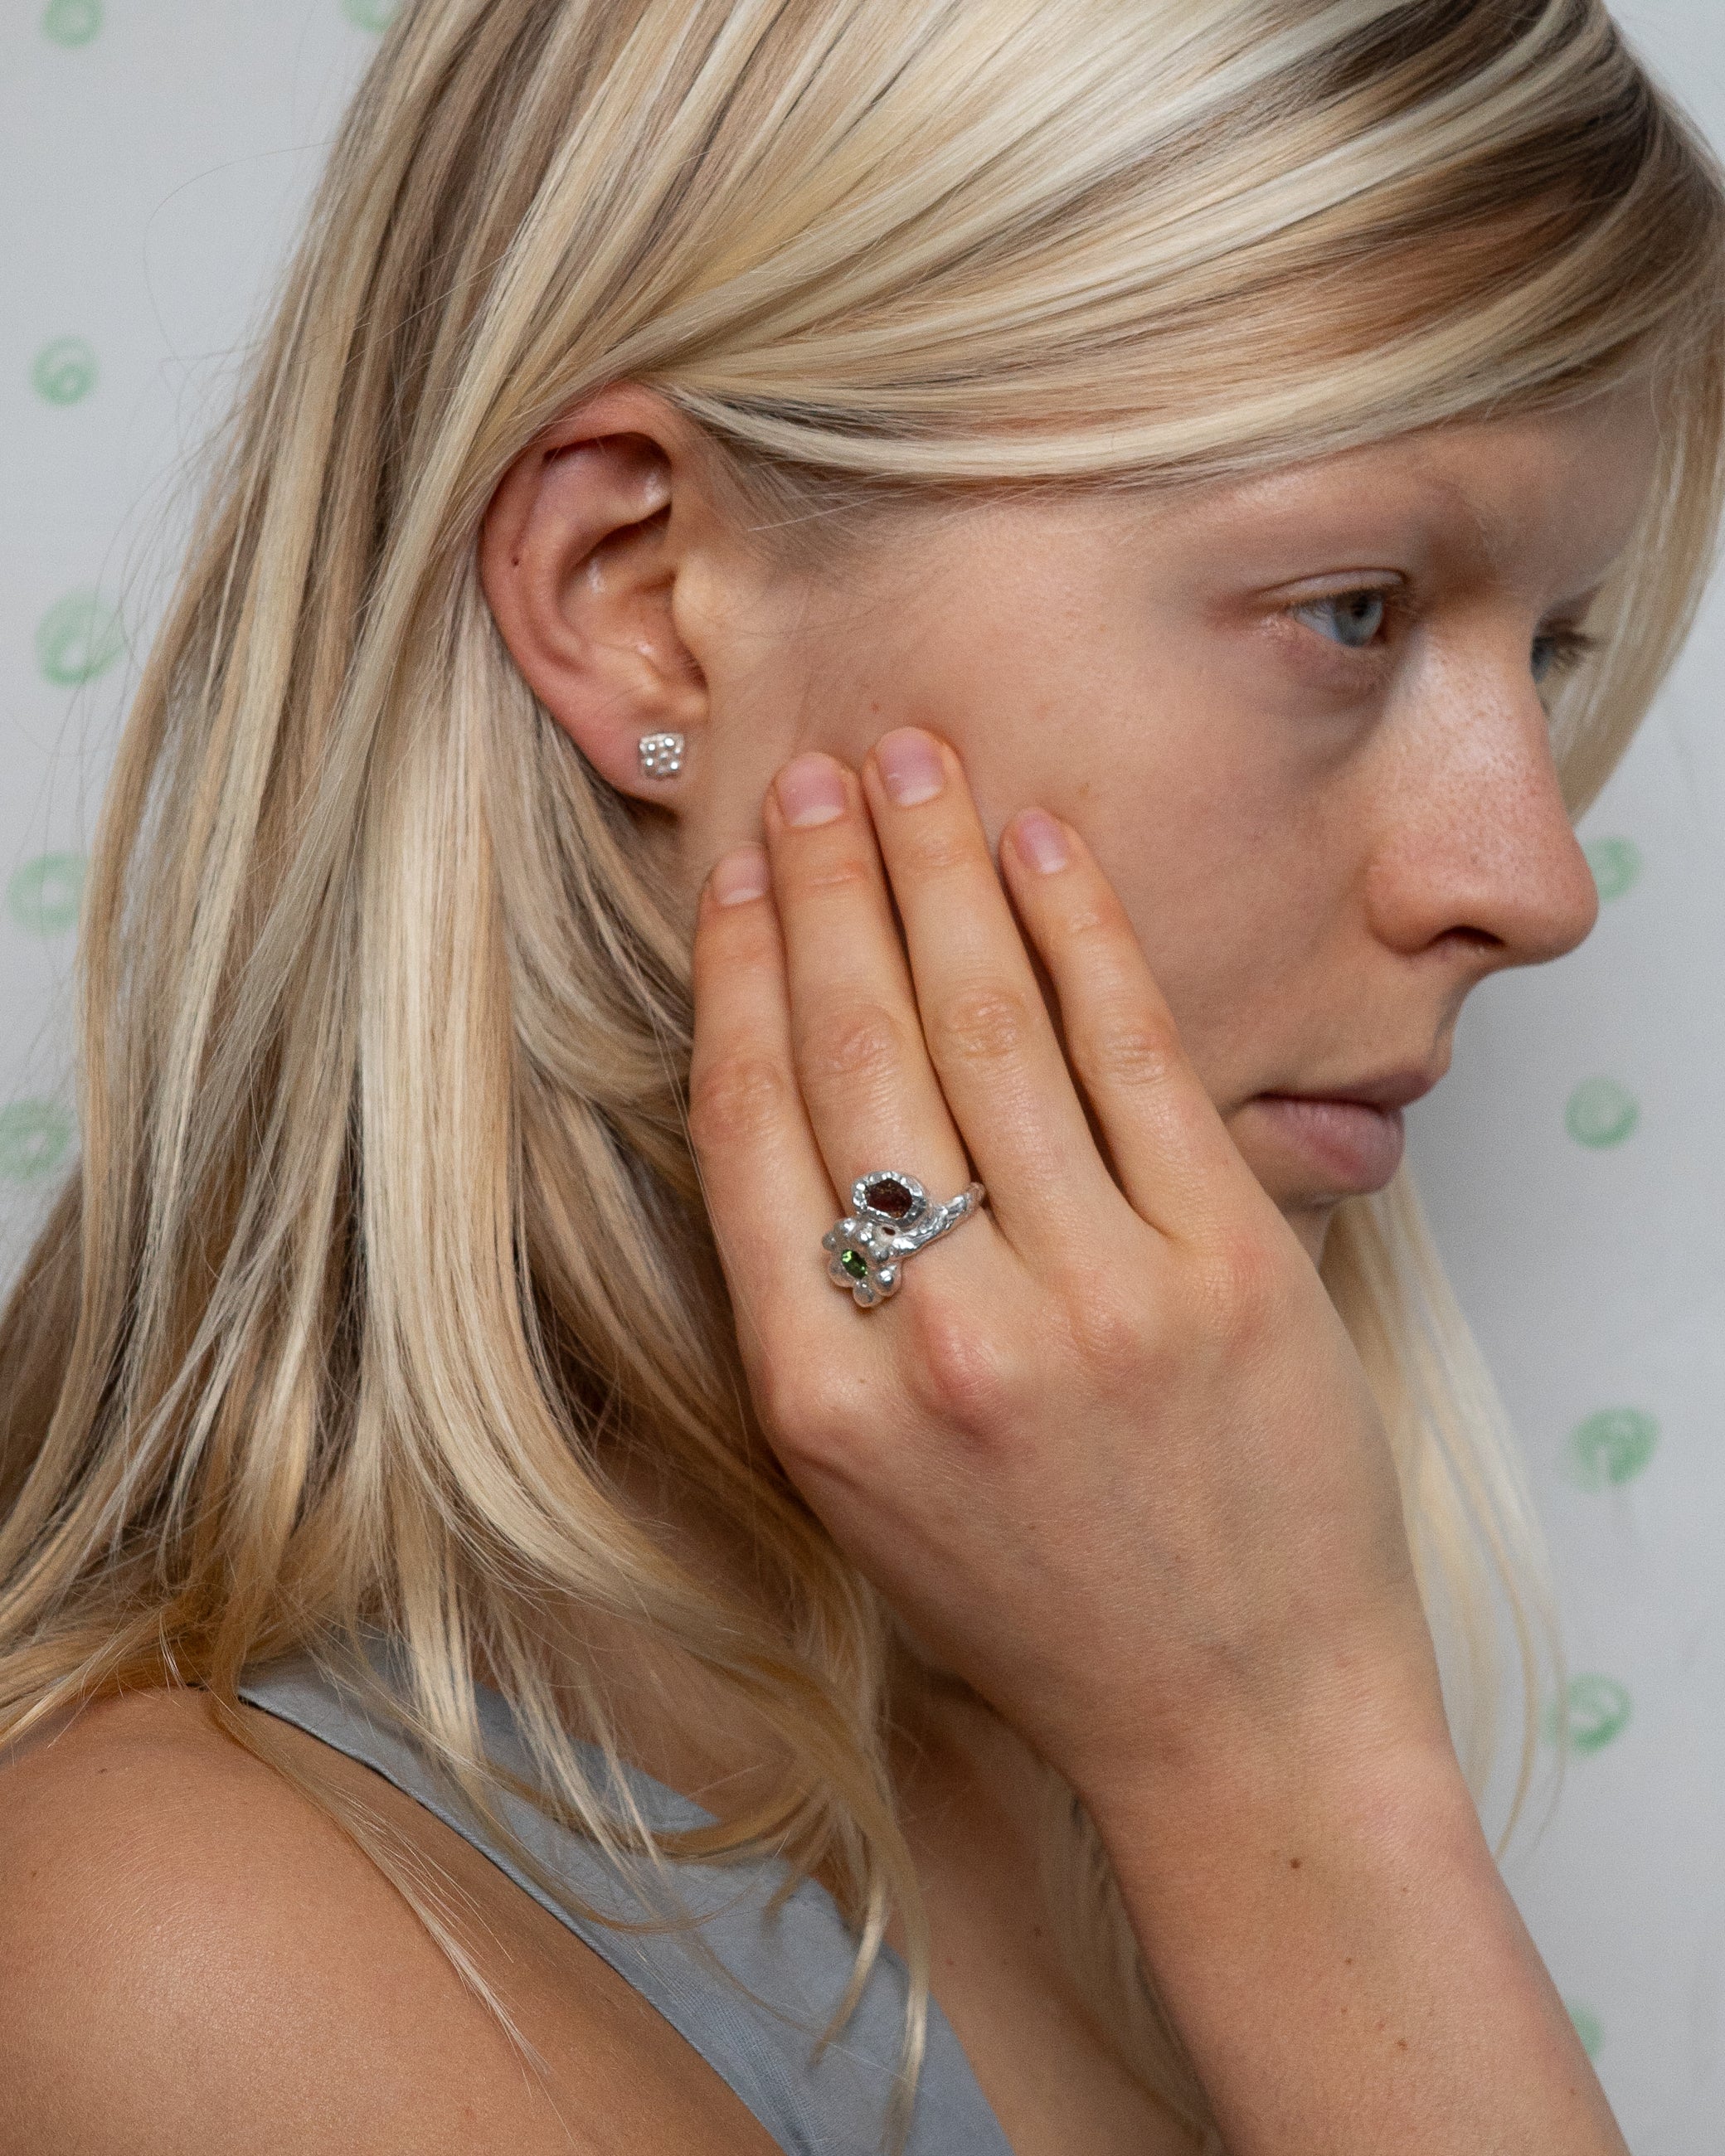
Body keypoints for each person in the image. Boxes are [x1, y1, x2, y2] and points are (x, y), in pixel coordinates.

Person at [1, 2, 1721, 2149]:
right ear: (638, 599)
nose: (1532, 873)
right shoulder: (176, 1951)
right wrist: (1287, 1776)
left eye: (1548, 647)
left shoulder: (1030, 1710)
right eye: (1355, 610)